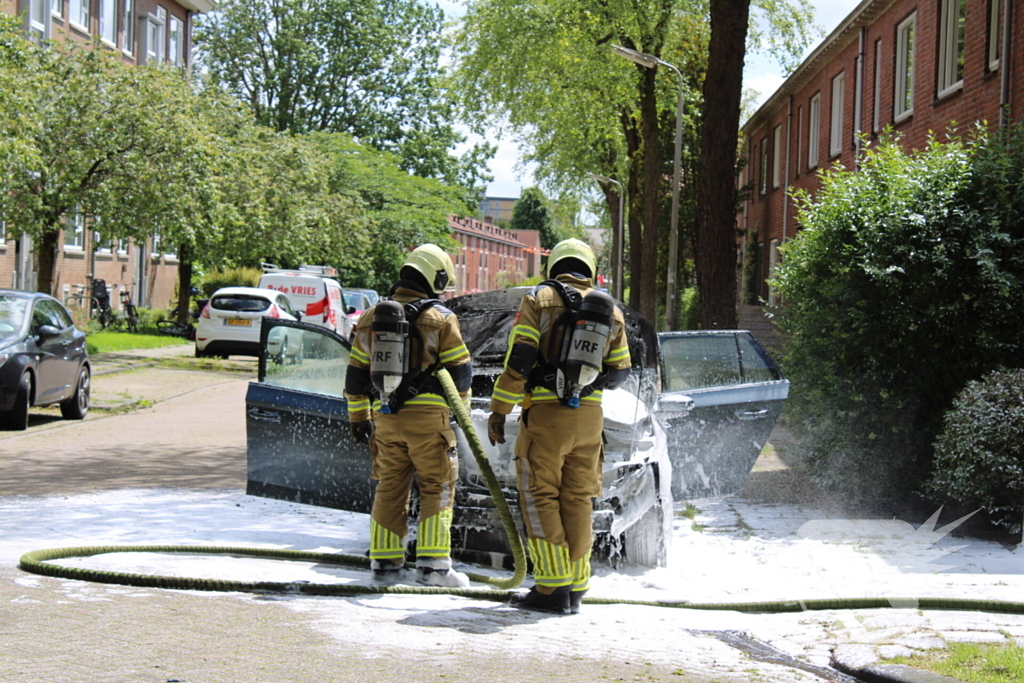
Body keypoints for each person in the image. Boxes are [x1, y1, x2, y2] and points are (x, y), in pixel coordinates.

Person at [487, 238, 632, 614]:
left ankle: (551, 589)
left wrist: (500, 409)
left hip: (547, 416)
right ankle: (577, 586)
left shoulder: (539, 299)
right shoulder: (611, 311)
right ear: (589, 267)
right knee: (578, 499)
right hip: (589, 419)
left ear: (556, 267)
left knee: (539, 496)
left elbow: (521, 358)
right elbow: (620, 373)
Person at [344, 244, 473, 587]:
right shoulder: (442, 318)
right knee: (437, 487)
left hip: (385, 416)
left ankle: (384, 566)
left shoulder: (371, 317)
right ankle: (434, 570)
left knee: (389, 487)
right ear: (434, 277)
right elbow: (461, 374)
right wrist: (460, 414)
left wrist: (358, 418)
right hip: (430, 420)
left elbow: (355, 376)